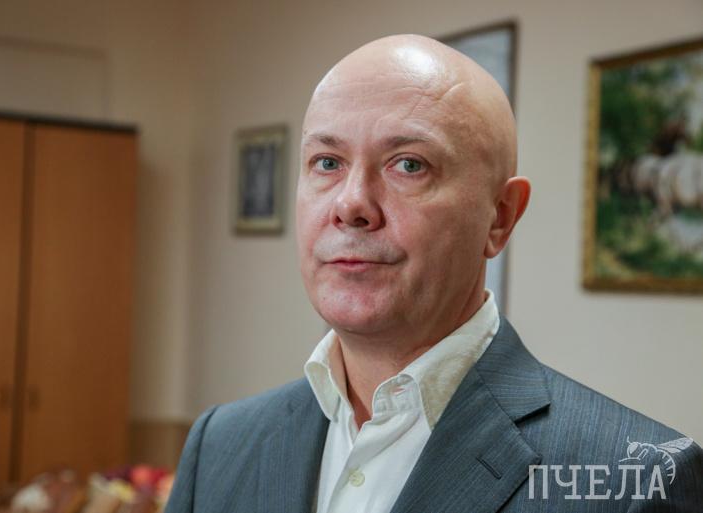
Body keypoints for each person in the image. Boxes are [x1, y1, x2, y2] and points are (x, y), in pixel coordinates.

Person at [165, 34, 703, 513]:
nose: (351, 205)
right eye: (327, 162)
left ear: (500, 217)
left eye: (409, 164)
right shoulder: (219, 445)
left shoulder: (635, 484)